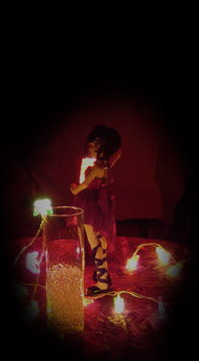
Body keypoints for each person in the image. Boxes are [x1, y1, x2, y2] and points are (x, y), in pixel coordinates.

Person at [70, 124, 122, 296]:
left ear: (104, 147)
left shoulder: (98, 168)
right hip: (96, 206)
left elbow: (84, 185)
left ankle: (103, 282)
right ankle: (103, 274)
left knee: (94, 241)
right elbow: (119, 153)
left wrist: (74, 190)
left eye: (95, 145)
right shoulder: (106, 165)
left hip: (90, 206)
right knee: (99, 239)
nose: (91, 148)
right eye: (91, 145)